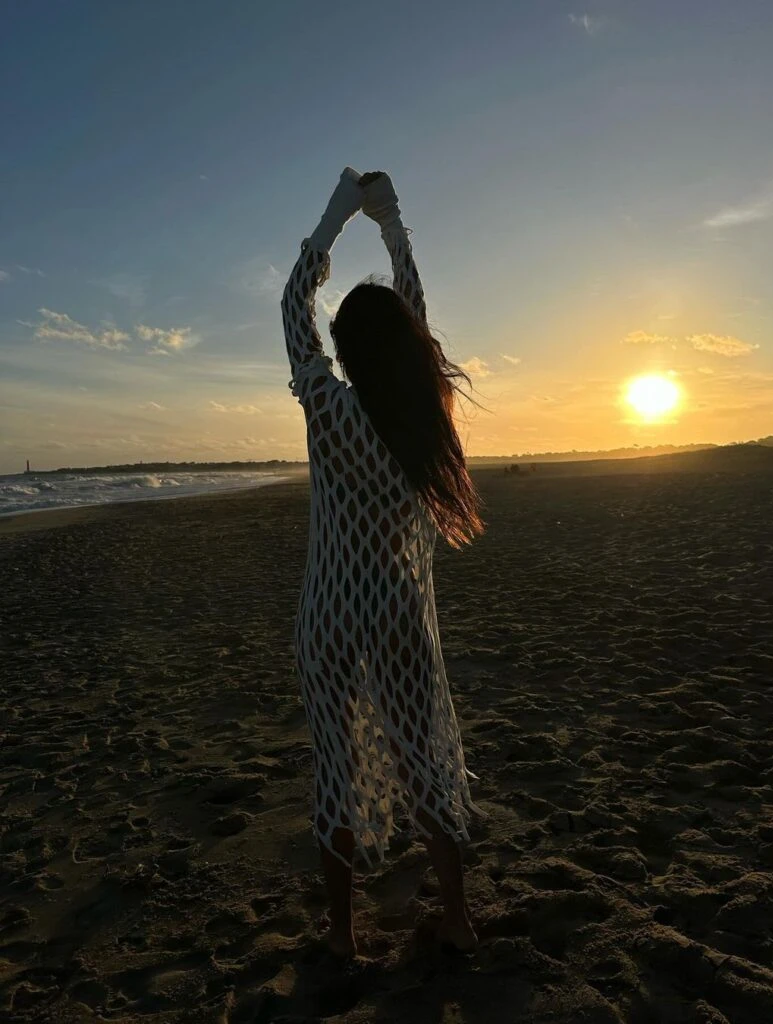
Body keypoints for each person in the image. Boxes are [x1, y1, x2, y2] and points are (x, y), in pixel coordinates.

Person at [281, 167, 487, 959]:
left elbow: (292, 303)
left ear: (342, 350)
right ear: (403, 345)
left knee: (335, 767)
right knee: (422, 759)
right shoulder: (417, 413)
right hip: (397, 606)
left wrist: (336, 215)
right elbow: (413, 310)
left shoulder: (326, 410)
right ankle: (459, 919)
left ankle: (340, 935)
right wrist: (390, 223)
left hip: (330, 612)